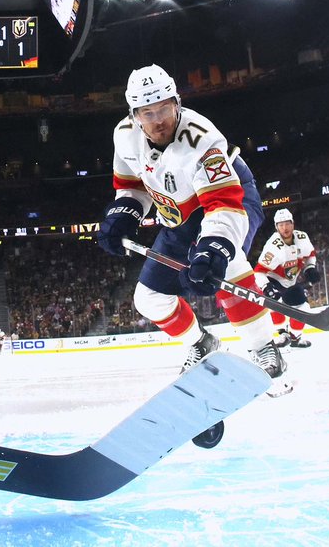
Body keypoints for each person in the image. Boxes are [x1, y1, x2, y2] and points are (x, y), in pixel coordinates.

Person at [97, 64, 289, 392]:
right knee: (149, 299)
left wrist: (214, 248)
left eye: (164, 108)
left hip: (231, 197)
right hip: (179, 217)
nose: (158, 120)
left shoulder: (201, 139)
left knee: (228, 264)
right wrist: (124, 214)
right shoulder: (123, 136)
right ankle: (201, 343)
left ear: (177, 103)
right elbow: (132, 186)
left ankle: (264, 349)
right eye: (148, 112)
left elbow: (224, 204)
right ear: (134, 115)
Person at [254, 208, 319, 348]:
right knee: (275, 304)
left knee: (303, 307)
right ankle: (283, 334)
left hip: (290, 282)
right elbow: (258, 272)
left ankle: (295, 337)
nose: (285, 228)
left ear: (293, 224)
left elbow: (311, 255)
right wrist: (266, 286)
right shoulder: (273, 247)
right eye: (281, 224)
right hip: (274, 280)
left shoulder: (302, 238)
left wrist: (310, 267)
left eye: (287, 223)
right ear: (276, 227)